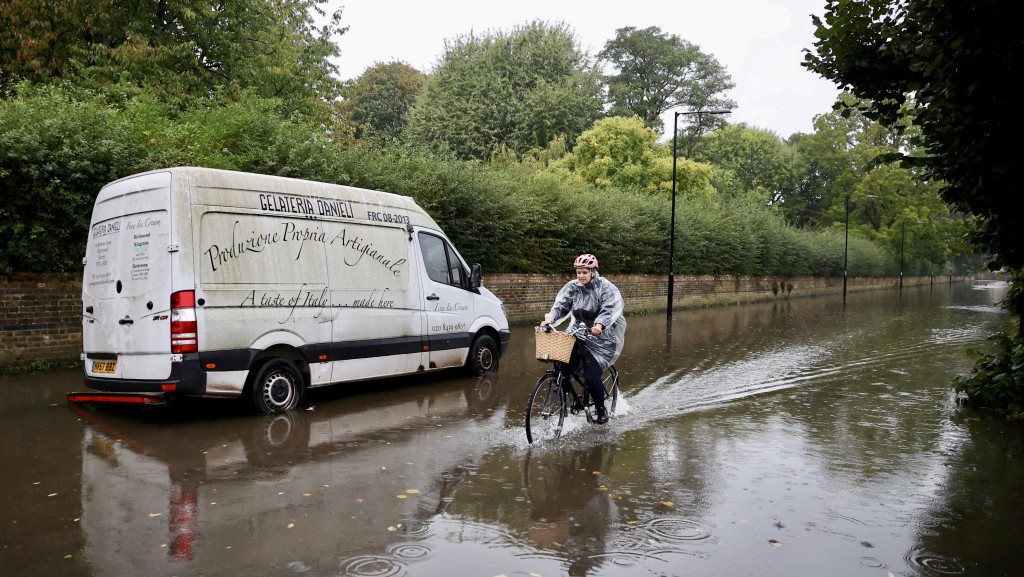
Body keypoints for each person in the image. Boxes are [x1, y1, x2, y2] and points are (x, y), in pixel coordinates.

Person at [539, 253, 626, 424]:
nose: (581, 276)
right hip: (578, 332)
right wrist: (550, 318)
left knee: (591, 374)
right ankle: (563, 403)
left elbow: (609, 308)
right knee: (563, 364)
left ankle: (602, 410)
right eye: (578, 272)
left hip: (601, 337)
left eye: (584, 272)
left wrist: (599, 325)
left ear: (593, 272)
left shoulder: (604, 287)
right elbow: (562, 305)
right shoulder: (573, 287)